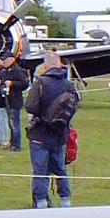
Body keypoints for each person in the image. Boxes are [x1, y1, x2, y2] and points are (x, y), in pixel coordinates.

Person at [25, 52, 78, 208]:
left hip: (40, 134)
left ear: (46, 65)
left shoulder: (40, 83)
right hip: (60, 133)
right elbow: (75, 105)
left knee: (40, 171)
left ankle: (41, 203)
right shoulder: (68, 84)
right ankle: (65, 200)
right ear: (59, 64)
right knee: (61, 170)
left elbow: (30, 106)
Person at [1, 58, 30, 151]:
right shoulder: (5, 71)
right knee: (11, 123)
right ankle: (12, 142)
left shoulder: (18, 71)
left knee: (14, 123)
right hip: (7, 100)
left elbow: (25, 84)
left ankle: (16, 145)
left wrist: (12, 83)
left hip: (15, 100)